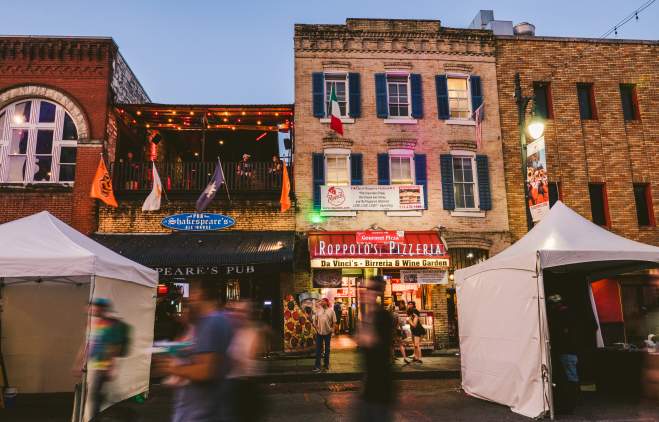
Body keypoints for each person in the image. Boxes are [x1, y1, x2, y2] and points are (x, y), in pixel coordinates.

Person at [157, 279, 233, 422]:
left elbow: (206, 370)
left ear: (201, 294)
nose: (189, 298)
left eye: (192, 293)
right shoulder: (216, 321)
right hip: (203, 410)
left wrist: (173, 369)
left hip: (201, 414)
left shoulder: (212, 322)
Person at [76, 298, 131, 421]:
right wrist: (79, 362)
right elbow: (87, 344)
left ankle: (95, 418)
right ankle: (101, 414)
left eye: (91, 307)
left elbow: (114, 347)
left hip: (102, 366)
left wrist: (111, 366)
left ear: (100, 309)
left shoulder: (110, 325)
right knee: (96, 395)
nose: (88, 310)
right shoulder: (91, 323)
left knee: (94, 395)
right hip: (93, 365)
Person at [356, 277, 396, 421]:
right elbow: (361, 340)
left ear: (377, 293)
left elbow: (369, 341)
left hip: (381, 388)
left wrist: (364, 306)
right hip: (368, 388)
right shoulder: (369, 316)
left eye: (369, 289)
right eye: (365, 290)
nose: (365, 293)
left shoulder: (384, 317)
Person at [225, 301, 267, 422]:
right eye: (234, 311)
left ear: (248, 314)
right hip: (231, 385)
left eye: (241, 311)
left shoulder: (254, 333)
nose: (237, 314)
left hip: (246, 388)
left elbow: (251, 364)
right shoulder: (233, 332)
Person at [547, 294, 580, 414]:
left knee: (570, 377)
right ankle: (571, 403)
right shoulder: (569, 313)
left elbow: (562, 334)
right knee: (571, 376)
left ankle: (570, 405)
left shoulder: (562, 316)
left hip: (566, 351)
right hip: (570, 350)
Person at [313, 298, 337, 372]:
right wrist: (317, 328)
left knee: (327, 349)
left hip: (328, 333)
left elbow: (334, 322)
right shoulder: (318, 311)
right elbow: (315, 321)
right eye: (321, 301)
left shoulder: (331, 311)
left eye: (323, 301)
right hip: (319, 333)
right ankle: (317, 366)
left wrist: (332, 330)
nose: (321, 302)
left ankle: (326, 365)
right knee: (318, 350)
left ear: (326, 302)